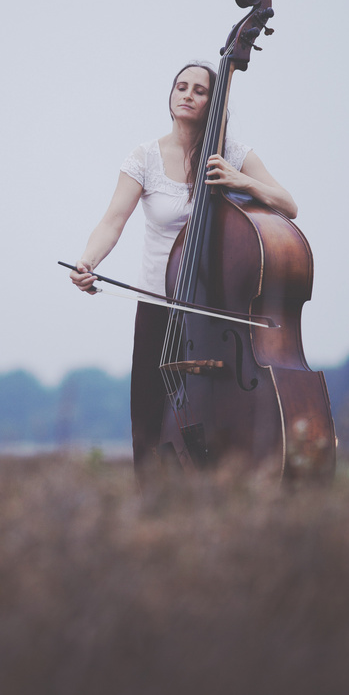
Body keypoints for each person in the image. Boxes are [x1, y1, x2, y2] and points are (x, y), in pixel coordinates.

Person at [69, 61, 298, 471]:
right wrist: (88, 260)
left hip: (218, 313)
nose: (188, 94)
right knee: (149, 416)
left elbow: (288, 205)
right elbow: (111, 222)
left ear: (214, 101)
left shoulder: (234, 154)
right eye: (181, 87)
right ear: (170, 96)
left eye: (200, 89)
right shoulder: (144, 157)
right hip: (158, 302)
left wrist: (241, 181)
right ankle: (154, 507)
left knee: (224, 408)